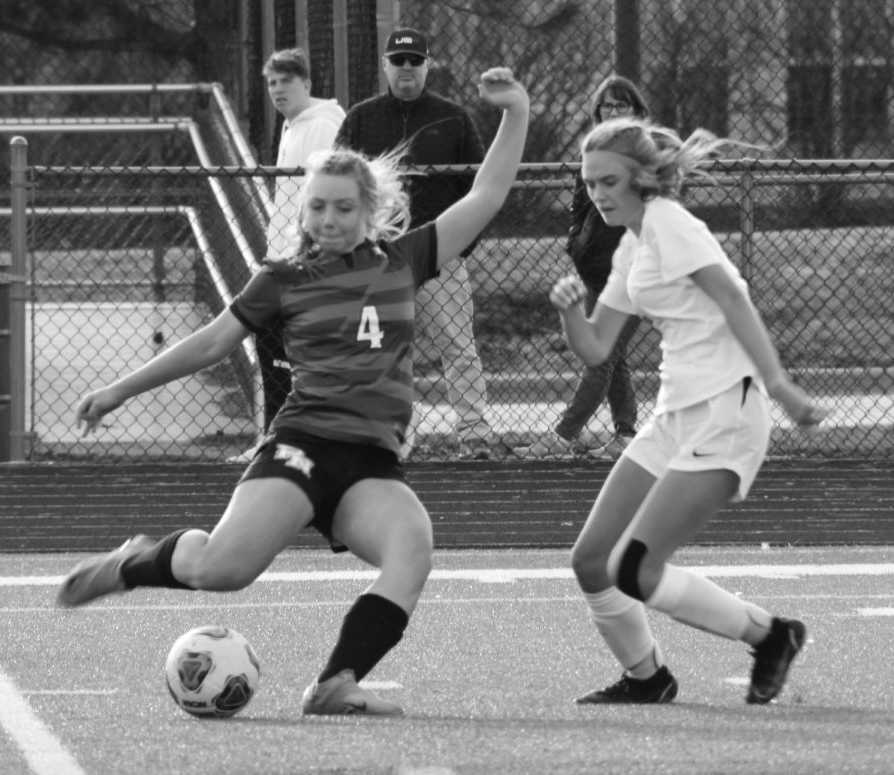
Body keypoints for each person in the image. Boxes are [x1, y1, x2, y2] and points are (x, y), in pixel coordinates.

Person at [56, 67, 530, 717]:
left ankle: (336, 681)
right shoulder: (282, 278)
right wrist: (118, 389)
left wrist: (516, 112)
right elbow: (209, 343)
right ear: (303, 210)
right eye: (317, 206)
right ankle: (135, 562)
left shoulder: (407, 258)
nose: (328, 218)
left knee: (412, 545)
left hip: (371, 461)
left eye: (343, 207)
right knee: (222, 569)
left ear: (371, 212)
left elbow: (490, 191)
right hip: (303, 445)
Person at [551, 116, 828, 705]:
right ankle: (647, 678)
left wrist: (779, 385)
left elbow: (734, 297)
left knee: (636, 569)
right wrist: (572, 312)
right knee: (592, 560)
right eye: (588, 182)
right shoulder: (632, 243)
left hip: (726, 411)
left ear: (643, 181)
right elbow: (598, 346)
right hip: (675, 414)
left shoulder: (672, 225)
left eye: (608, 180)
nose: (596, 192)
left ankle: (771, 635)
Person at [334, 27, 493, 460]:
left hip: (440, 252)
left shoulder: (453, 117)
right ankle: (394, 433)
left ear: (426, 66)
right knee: (381, 350)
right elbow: (338, 182)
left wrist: (463, 245)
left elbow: (480, 187)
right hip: (380, 256)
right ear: (385, 65)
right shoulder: (361, 118)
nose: (406, 69)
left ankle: (474, 432)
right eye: (398, 61)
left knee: (458, 346)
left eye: (415, 61)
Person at [517, 75, 648, 461]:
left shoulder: (645, 155)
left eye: (621, 105)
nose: (613, 112)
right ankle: (625, 433)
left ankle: (563, 436)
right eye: (607, 105)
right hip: (596, 273)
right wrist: (577, 243)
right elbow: (579, 206)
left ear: (637, 111)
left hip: (634, 273)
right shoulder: (591, 152)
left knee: (600, 355)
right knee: (613, 356)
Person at [229, 48, 346, 464]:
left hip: (306, 264)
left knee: (295, 352)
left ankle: (287, 439)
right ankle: (274, 437)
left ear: (307, 84)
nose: (277, 90)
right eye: (272, 83)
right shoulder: (293, 126)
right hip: (284, 260)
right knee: (272, 347)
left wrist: (304, 255)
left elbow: (324, 198)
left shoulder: (322, 126)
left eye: (286, 81)